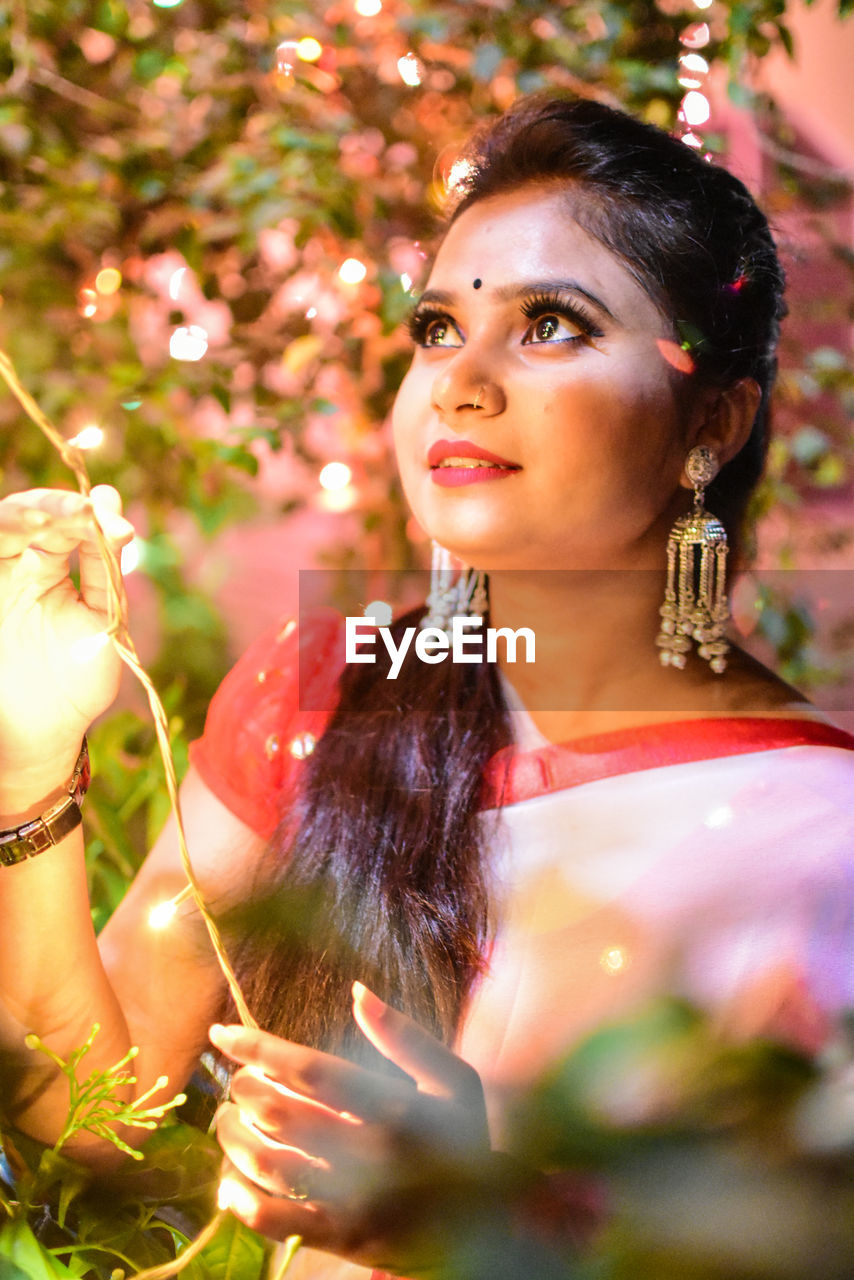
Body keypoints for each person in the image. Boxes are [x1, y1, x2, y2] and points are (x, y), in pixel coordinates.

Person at [1, 94, 853, 1279]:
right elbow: (95, 1116)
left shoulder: (821, 837)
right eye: (437, 327)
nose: (459, 381)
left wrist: (472, 1218)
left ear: (707, 419)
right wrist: (27, 766)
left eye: (550, 323)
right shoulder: (324, 697)